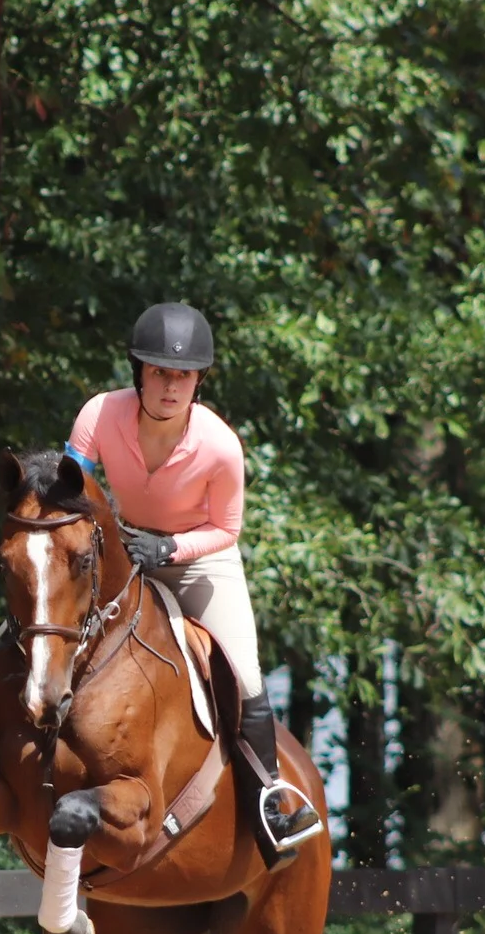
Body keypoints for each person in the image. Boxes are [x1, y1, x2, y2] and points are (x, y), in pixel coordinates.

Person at [63, 302, 324, 865]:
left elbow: (227, 529)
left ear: (199, 380)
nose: (170, 386)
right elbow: (69, 489)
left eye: (183, 376)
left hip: (202, 562)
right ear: (139, 371)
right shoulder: (99, 414)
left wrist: (169, 549)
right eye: (160, 372)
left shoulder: (220, 445)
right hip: (128, 550)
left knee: (244, 673)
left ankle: (270, 806)